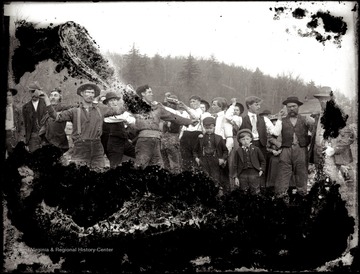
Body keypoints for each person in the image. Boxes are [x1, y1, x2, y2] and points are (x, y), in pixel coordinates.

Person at [44, 83, 125, 169]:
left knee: (99, 176)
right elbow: (56, 117)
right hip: (80, 148)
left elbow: (118, 111)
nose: (90, 95)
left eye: (92, 93)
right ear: (82, 94)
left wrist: (126, 99)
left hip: (97, 147)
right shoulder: (74, 111)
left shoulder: (101, 109)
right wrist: (46, 100)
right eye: (87, 92)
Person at [133, 84, 195, 169]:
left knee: (157, 168)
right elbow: (119, 108)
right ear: (143, 94)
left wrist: (189, 121)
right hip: (144, 140)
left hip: (156, 140)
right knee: (140, 166)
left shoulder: (157, 108)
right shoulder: (135, 105)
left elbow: (173, 117)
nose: (152, 94)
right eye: (149, 92)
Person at [275, 96, 315, 197]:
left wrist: (308, 143)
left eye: (294, 106)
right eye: (289, 107)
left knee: (302, 173)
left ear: (298, 107)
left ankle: (302, 198)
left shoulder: (306, 119)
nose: (291, 108)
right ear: (286, 108)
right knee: (283, 174)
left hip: (301, 150)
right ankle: (281, 198)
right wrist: (279, 145)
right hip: (286, 150)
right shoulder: (281, 121)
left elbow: (314, 133)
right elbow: (273, 135)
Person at [239, 96, 282, 190]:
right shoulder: (241, 119)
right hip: (247, 146)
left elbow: (275, 132)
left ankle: (262, 191)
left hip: (261, 145)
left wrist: (279, 119)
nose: (259, 107)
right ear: (249, 105)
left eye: (259, 105)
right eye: (256, 104)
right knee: (248, 168)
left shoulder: (264, 119)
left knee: (261, 168)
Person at [102, 91, 136, 169]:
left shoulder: (120, 112)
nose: (114, 102)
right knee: (115, 168)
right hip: (114, 145)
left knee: (140, 155)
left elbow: (130, 121)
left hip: (125, 142)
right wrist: (128, 118)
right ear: (107, 103)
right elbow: (127, 119)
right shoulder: (107, 115)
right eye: (111, 101)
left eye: (115, 100)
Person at [178, 95, 210, 171]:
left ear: (199, 102)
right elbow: (184, 127)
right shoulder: (186, 112)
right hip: (186, 135)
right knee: (185, 157)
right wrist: (180, 137)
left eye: (194, 101)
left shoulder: (202, 112)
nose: (192, 103)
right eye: (191, 102)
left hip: (197, 135)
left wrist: (186, 107)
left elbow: (195, 116)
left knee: (197, 157)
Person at [194, 117, 228, 188]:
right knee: (204, 179)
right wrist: (196, 158)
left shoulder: (219, 138)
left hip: (215, 160)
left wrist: (222, 159)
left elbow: (225, 150)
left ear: (214, 127)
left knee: (215, 180)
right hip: (204, 160)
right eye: (207, 128)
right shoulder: (201, 138)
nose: (209, 130)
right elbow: (195, 150)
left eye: (210, 128)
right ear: (204, 128)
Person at [39, 88, 74, 154]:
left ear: (60, 98)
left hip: (59, 142)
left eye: (55, 95)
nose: (53, 97)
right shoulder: (44, 109)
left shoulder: (64, 108)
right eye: (51, 95)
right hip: (46, 140)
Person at [22, 82, 53, 153]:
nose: (34, 94)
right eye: (32, 91)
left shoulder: (47, 104)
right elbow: (24, 125)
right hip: (33, 137)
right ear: (29, 92)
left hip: (46, 137)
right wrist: (25, 141)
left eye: (36, 91)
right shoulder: (25, 107)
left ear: (39, 91)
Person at [233, 129, 266, 195]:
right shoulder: (238, 151)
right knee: (244, 191)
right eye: (243, 139)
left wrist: (261, 170)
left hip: (254, 173)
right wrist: (236, 177)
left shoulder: (256, 149)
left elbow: (263, 161)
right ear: (239, 141)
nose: (245, 141)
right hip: (243, 174)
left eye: (247, 139)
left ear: (251, 139)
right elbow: (235, 164)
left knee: (255, 191)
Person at [160, 94, 185, 173]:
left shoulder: (178, 113)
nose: (170, 105)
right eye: (169, 103)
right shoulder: (165, 112)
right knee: (167, 162)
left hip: (171, 137)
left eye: (172, 103)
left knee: (174, 163)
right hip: (165, 138)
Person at [225, 98, 245, 191]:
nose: (235, 111)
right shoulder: (226, 118)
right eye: (234, 109)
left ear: (240, 112)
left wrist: (232, 105)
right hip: (226, 139)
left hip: (234, 140)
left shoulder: (238, 118)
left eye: (237, 110)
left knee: (233, 162)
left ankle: (233, 186)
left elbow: (228, 116)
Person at [5, 88, 24, 156]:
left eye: (9, 95)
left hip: (12, 136)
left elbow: (22, 126)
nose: (7, 97)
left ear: (12, 97)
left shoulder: (17, 110)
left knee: (12, 157)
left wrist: (19, 138)